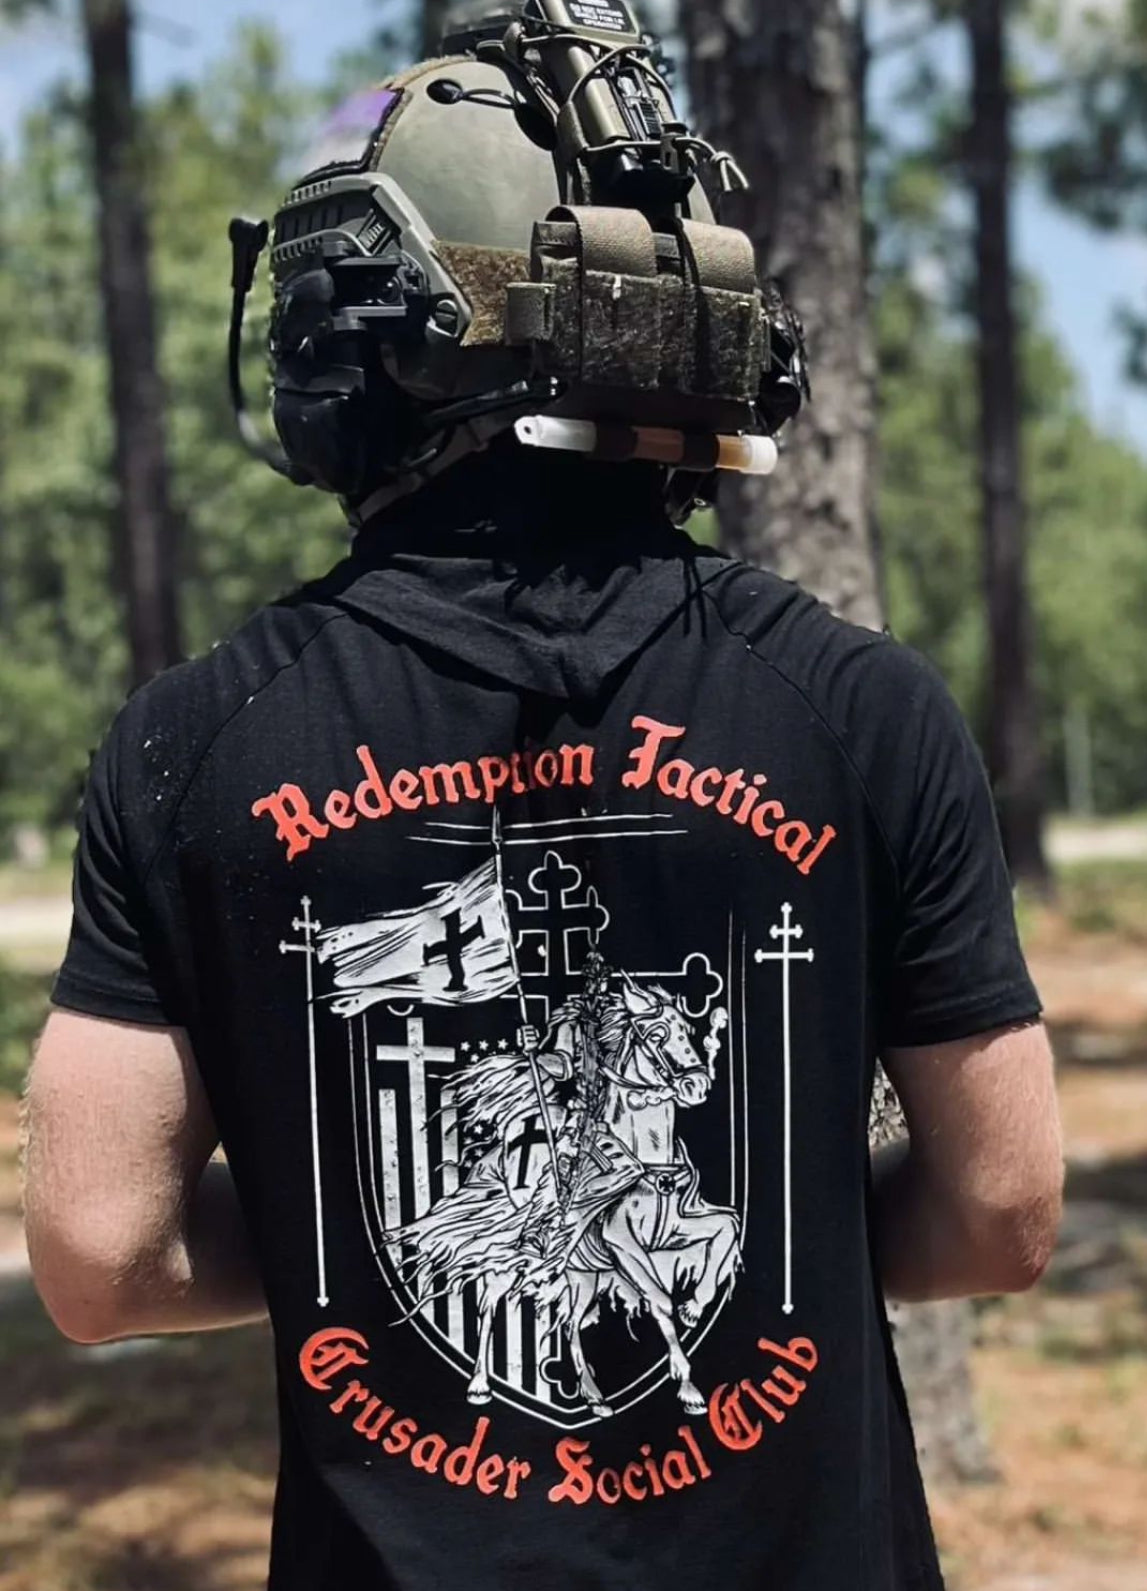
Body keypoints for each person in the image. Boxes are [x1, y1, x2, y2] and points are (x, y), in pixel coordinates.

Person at [23, 14, 1063, 1591]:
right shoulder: (862, 711)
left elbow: (101, 1262)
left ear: (355, 340)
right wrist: (787, 1221)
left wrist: (336, 1244)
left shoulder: (194, 744)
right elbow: (1002, 1213)